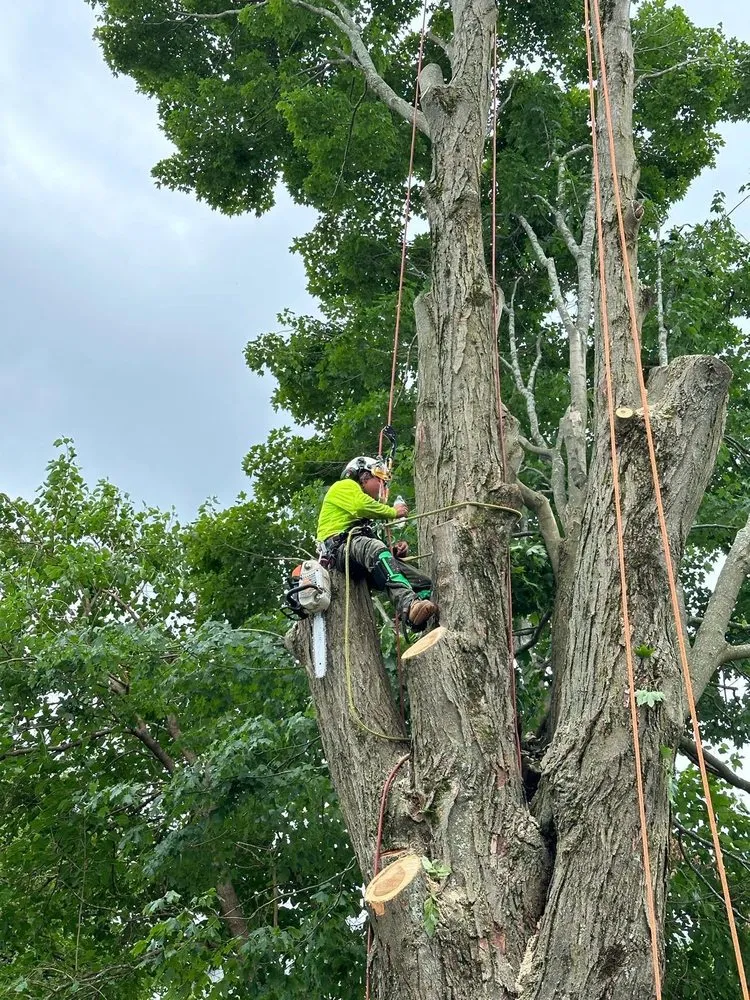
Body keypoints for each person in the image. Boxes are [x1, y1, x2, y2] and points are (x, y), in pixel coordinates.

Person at [316, 456, 438, 629]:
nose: (383, 486)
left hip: (359, 553)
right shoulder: (345, 486)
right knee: (374, 547)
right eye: (380, 480)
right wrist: (392, 512)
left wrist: (392, 552)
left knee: (423, 582)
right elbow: (360, 505)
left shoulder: (363, 517)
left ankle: (416, 616)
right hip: (339, 548)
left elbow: (369, 545)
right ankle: (408, 603)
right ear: (364, 476)